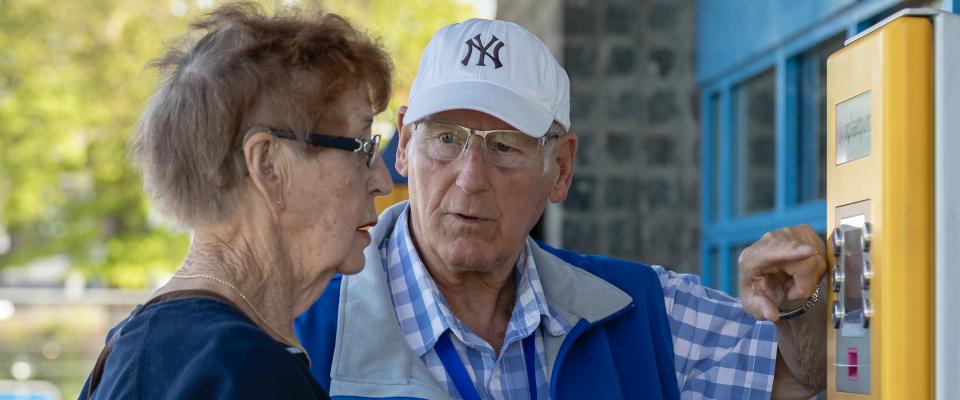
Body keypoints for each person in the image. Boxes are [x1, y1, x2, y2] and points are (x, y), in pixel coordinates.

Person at [295, 19, 827, 399]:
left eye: (505, 146)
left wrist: (800, 303)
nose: (471, 177)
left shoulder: (640, 311)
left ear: (562, 167)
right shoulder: (300, 330)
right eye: (447, 138)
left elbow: (802, 372)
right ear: (406, 144)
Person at [80, 3, 393, 399]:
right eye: (361, 146)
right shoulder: (242, 372)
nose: (382, 181)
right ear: (268, 165)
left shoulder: (135, 345)